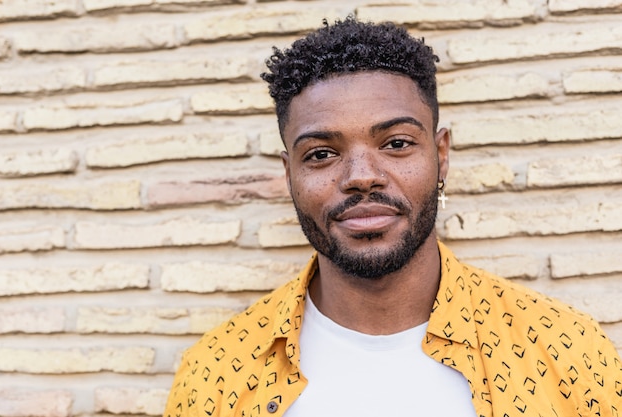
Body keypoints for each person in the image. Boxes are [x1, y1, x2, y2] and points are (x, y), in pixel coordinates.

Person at [163, 17, 622, 417]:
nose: (362, 177)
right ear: (290, 174)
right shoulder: (216, 372)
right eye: (322, 153)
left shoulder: (566, 350)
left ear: (441, 156)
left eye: (397, 143)